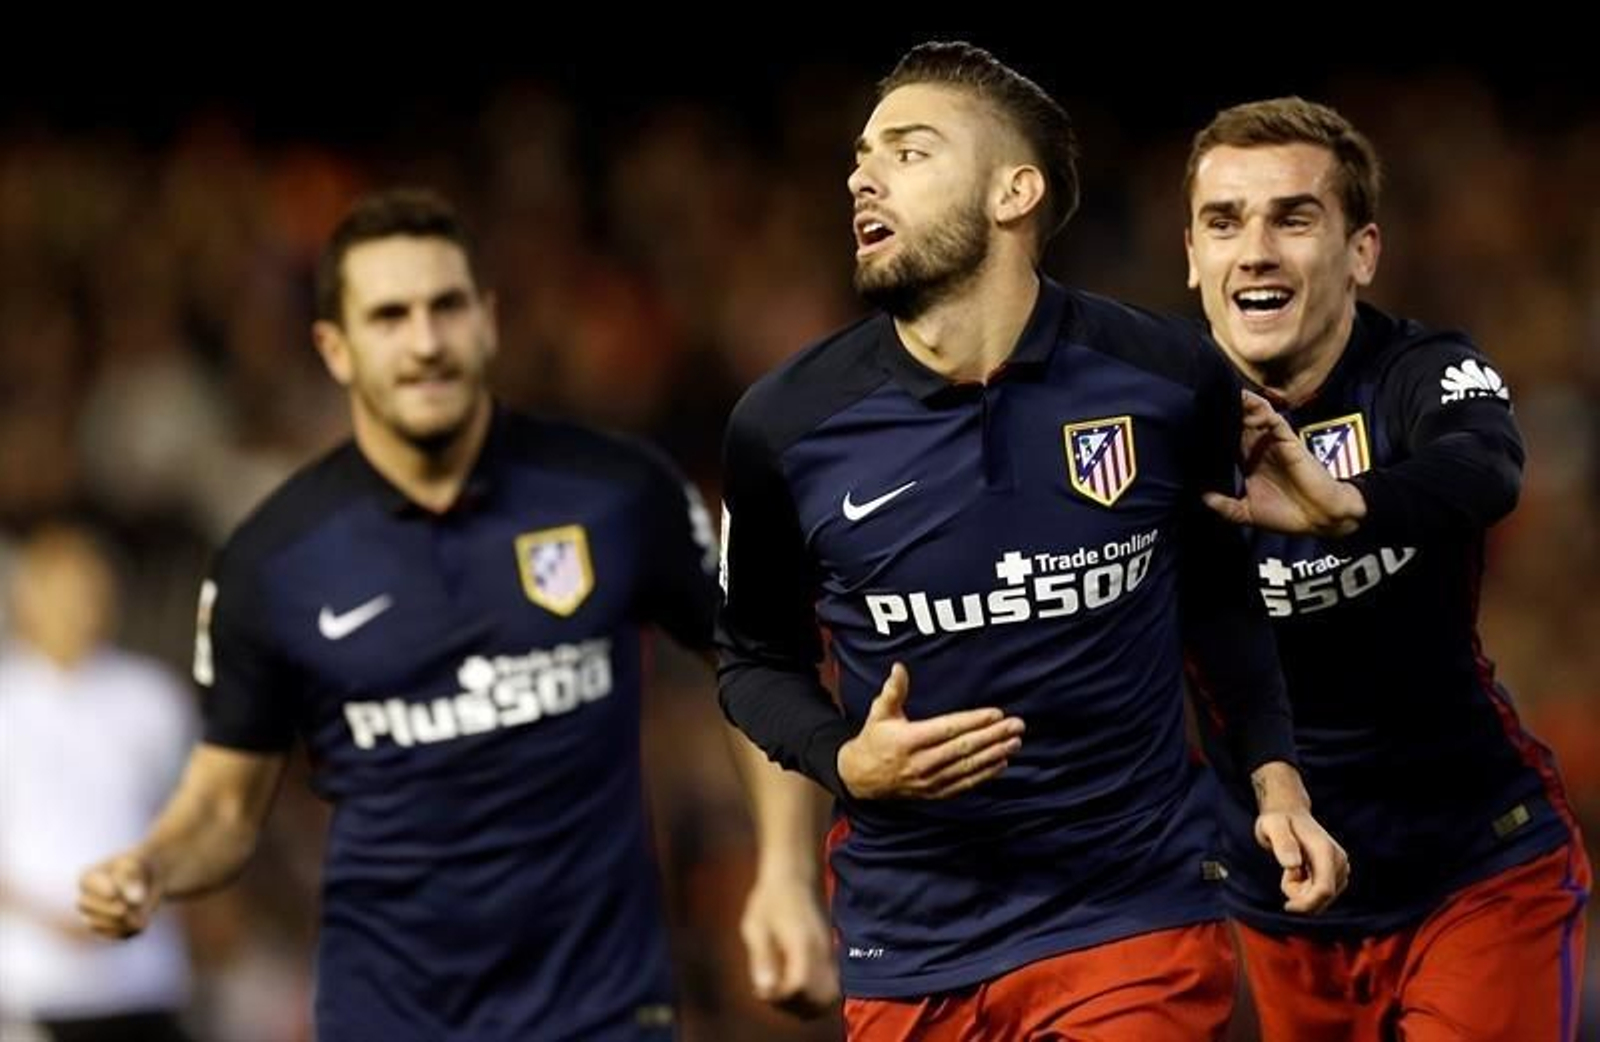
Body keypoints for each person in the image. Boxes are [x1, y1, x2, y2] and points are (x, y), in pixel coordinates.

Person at [76, 188, 836, 1040]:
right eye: (390, 316)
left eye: (446, 307)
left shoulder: (617, 494)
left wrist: (784, 873)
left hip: (603, 1010)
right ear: (335, 347)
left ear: (488, 319)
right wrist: (151, 866)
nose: (426, 342)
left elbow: (754, 666)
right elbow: (223, 806)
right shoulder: (274, 557)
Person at [715, 41, 1348, 1042]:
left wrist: (1276, 779)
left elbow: (1220, 604)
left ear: (1015, 191)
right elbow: (752, 658)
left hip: (1129, 920)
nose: (860, 175)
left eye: (909, 150)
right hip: (908, 941)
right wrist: (848, 761)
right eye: (860, 155)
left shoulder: (1168, 377)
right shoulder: (782, 426)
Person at [1184, 96, 1591, 1041]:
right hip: (1283, 899)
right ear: (1194, 257)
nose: (1255, 249)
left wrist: (1346, 505)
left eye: (1293, 217)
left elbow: (1484, 464)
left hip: (1478, 869)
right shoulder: (1146, 425)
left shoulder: (1419, 371)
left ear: (1362, 253)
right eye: (1224, 221)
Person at [1, 522, 196, 1042]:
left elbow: (189, 821)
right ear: (28, 600)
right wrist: (60, 919)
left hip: (145, 977)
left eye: (92, 592)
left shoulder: (154, 697)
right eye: (63, 593)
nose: (79, 609)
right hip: (32, 980)